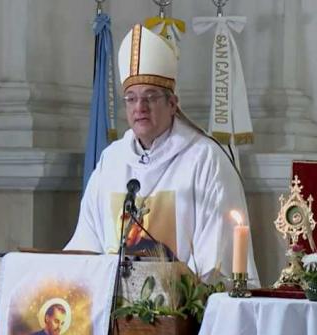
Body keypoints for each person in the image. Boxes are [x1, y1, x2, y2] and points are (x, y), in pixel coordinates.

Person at [65, 24, 258, 286]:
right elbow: (87, 243)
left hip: (184, 319)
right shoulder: (112, 160)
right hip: (114, 314)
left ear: (172, 104)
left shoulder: (204, 159)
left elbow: (216, 258)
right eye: (131, 99)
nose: (139, 107)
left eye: (150, 97)